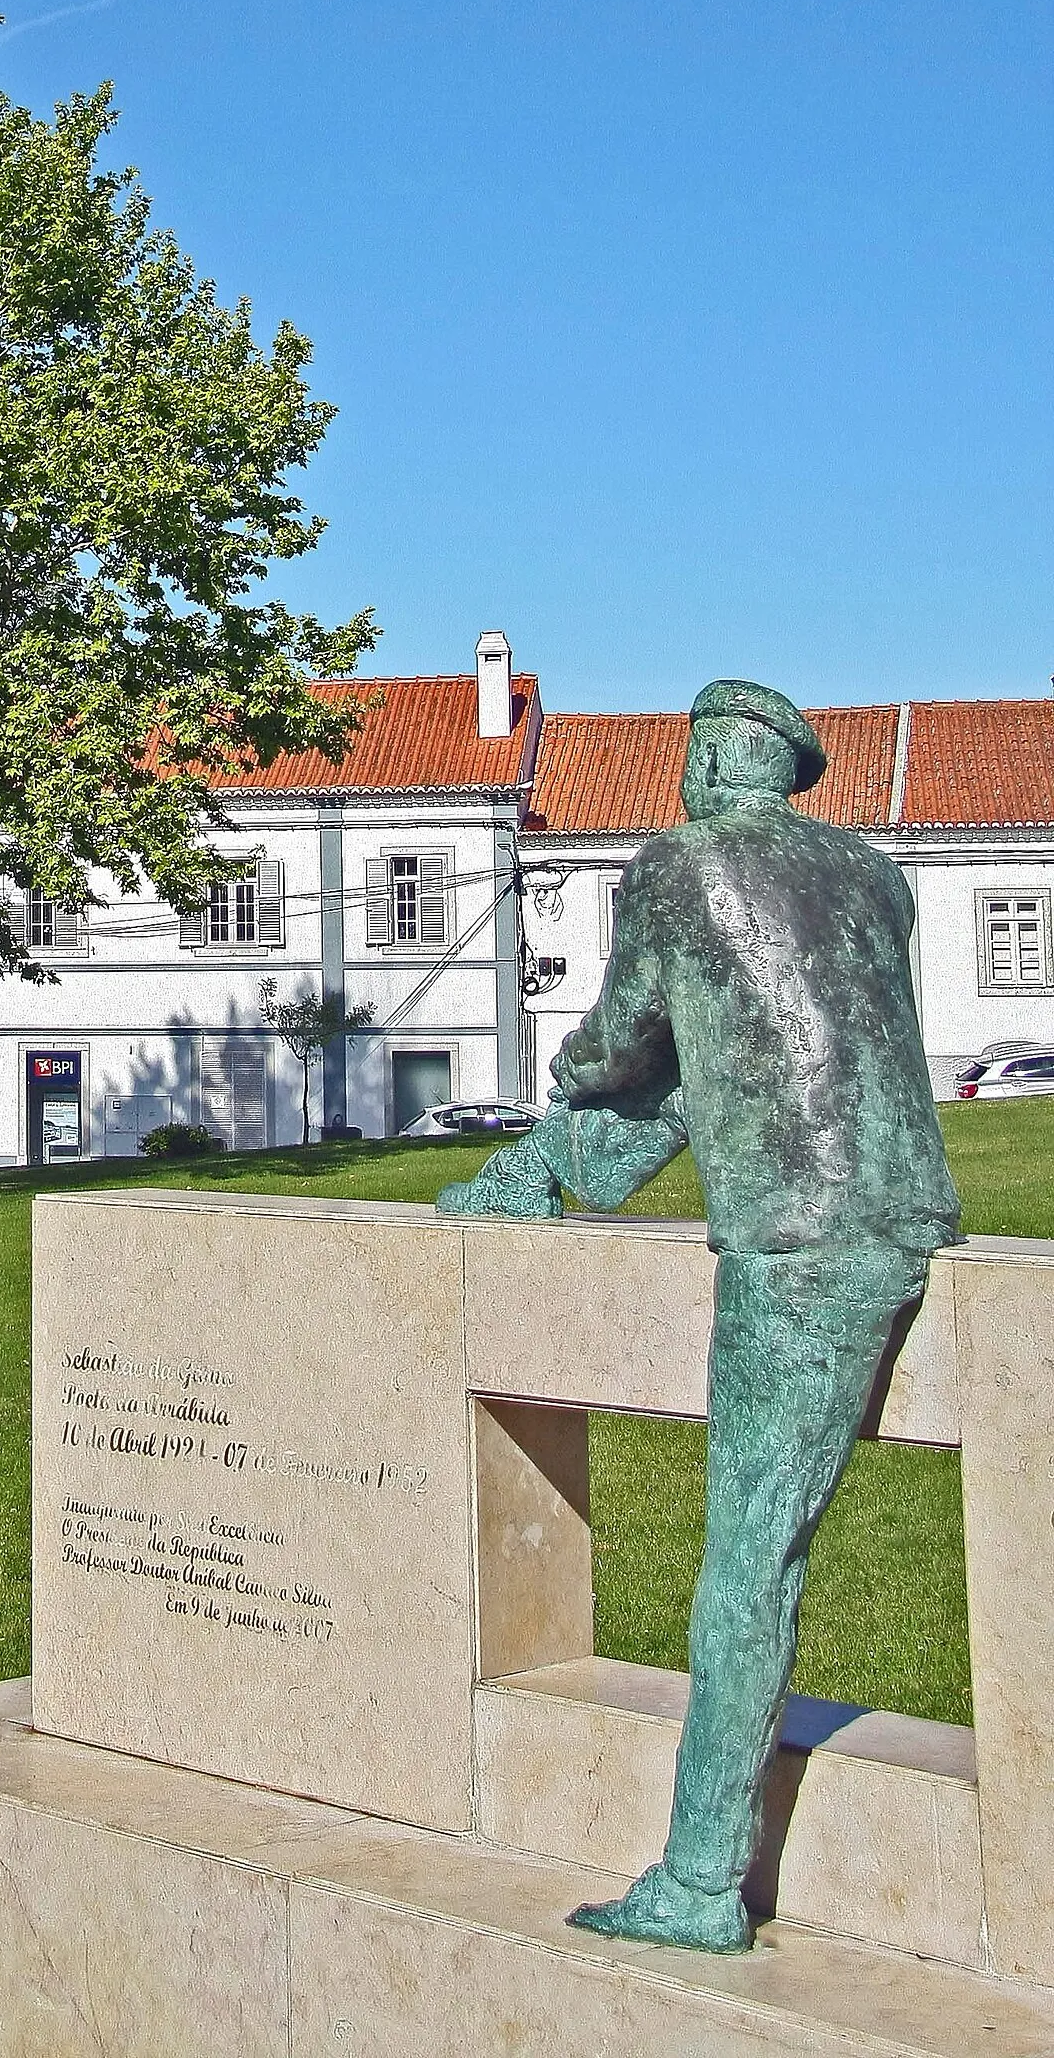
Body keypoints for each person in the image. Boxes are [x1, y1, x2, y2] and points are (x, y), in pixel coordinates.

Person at [437, 679, 960, 1953]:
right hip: (905, 1202)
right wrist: (560, 1160)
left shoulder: (676, 863)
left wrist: (562, 1089)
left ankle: (698, 1880)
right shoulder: (871, 874)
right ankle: (534, 1179)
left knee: (745, 1566)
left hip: (799, 1245)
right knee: (754, 1555)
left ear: (707, 760)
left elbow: (627, 1042)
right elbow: (757, 1044)